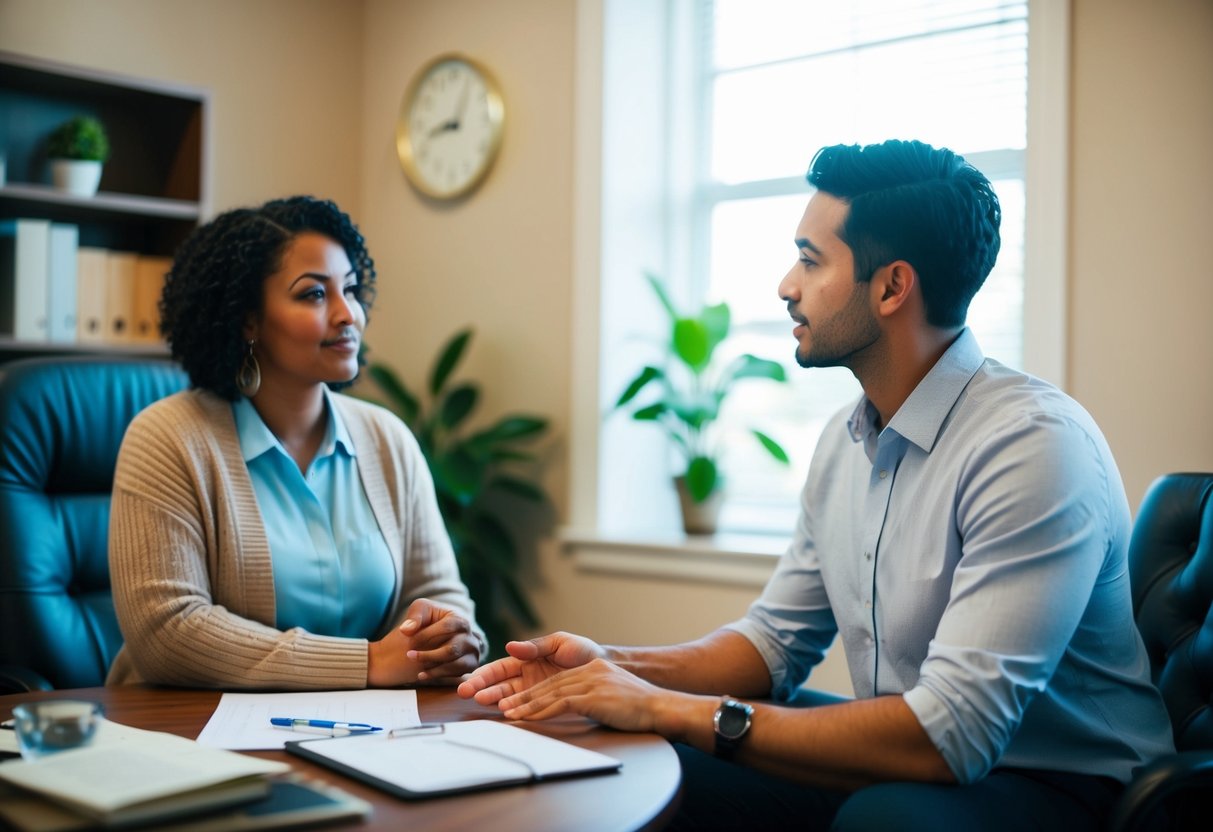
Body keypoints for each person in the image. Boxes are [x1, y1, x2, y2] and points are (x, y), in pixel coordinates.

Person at [458, 140, 1174, 830]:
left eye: (809, 259)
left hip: (1073, 787)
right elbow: (772, 646)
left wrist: (659, 705)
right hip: (917, 759)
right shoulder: (845, 437)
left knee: (872, 813)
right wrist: (614, 668)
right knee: (651, 764)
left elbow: (950, 735)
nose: (785, 286)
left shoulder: (1032, 445)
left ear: (892, 285)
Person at [107, 195, 485, 689]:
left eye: (350, 290)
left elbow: (438, 591)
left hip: (361, 730)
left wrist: (451, 638)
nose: (347, 314)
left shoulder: (387, 439)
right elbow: (168, 632)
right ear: (247, 319)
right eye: (313, 294)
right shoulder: (167, 438)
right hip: (187, 734)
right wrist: (367, 663)